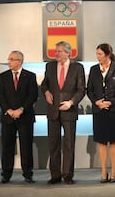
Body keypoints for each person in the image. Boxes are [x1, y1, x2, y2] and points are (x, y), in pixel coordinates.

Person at [40, 41, 85, 184]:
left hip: (69, 111)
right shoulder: (50, 66)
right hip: (53, 111)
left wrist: (71, 102)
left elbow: (81, 89)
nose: (56, 54)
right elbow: (44, 83)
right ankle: (55, 175)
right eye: (56, 50)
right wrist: (46, 91)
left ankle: (68, 175)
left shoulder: (78, 68)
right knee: (53, 144)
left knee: (68, 144)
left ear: (68, 53)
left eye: (59, 51)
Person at [86, 43, 115, 183]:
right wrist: (96, 102)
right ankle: (104, 172)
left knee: (114, 140)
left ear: (108, 55)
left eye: (100, 54)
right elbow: (89, 90)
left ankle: (114, 172)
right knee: (102, 141)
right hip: (99, 110)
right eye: (97, 54)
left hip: (114, 109)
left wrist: (111, 102)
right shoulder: (93, 69)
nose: (98, 57)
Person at [0, 50, 38, 184]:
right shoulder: (3, 76)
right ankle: (6, 174)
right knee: (7, 146)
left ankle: (28, 174)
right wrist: (8, 110)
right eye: (8, 59)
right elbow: (0, 96)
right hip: (8, 117)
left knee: (26, 146)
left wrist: (21, 109)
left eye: (11, 59)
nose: (9, 61)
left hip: (25, 116)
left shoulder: (30, 76)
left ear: (19, 61)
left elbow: (33, 95)